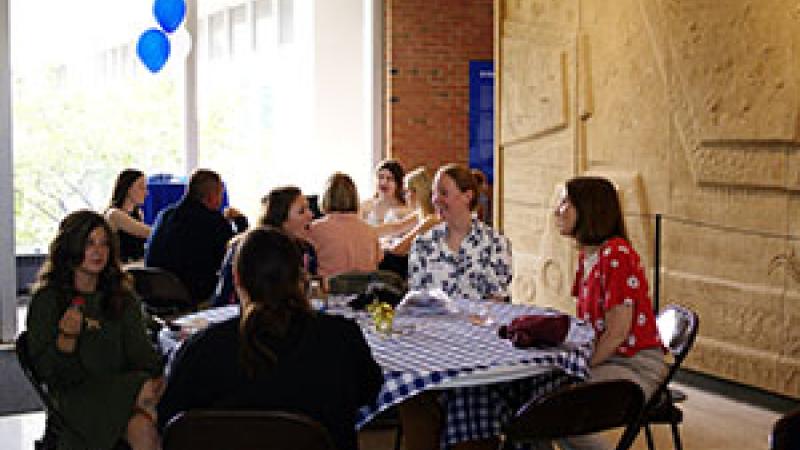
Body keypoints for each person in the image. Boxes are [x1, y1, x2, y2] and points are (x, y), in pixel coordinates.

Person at [157, 227, 383, 450]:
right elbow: (369, 391)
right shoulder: (341, 337)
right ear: (301, 274)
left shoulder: (202, 349)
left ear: (236, 279)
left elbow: (169, 420)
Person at [26, 210, 163, 450]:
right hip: (73, 396)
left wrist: (159, 373)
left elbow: (140, 354)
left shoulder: (122, 297)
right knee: (145, 390)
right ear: (71, 247)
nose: (99, 252)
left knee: (143, 427)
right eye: (89, 243)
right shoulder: (47, 300)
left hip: (120, 388)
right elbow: (51, 375)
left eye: (104, 244)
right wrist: (66, 339)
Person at [553, 176, 667, 450]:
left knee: (554, 410)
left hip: (635, 366)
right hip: (613, 360)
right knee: (541, 397)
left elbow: (617, 333)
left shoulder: (616, 255)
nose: (557, 209)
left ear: (589, 208)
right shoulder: (588, 256)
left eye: (566, 201)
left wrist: (579, 367)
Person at [408, 163, 511, 301]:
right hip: (434, 322)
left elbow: (497, 300)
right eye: (434, 193)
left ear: (467, 196)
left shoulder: (496, 243)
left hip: (481, 321)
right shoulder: (422, 244)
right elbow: (417, 300)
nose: (435, 199)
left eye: (443, 193)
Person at [145, 169, 248, 304]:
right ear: (211, 196)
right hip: (192, 294)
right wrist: (241, 221)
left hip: (152, 293)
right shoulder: (213, 221)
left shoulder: (164, 215)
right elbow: (239, 252)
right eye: (220, 195)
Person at [213, 186, 318, 306]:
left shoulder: (307, 251)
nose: (311, 215)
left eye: (308, 208)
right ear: (281, 219)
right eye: (302, 211)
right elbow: (223, 298)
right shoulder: (245, 249)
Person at [309, 172, 381, 278]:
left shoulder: (314, 229)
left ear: (326, 197)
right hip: (365, 291)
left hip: (330, 290)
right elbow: (377, 259)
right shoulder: (370, 230)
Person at [376, 166, 440, 278]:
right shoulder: (420, 214)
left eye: (406, 192)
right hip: (419, 266)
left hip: (428, 272)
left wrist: (383, 246)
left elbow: (399, 249)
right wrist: (364, 232)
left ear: (415, 193)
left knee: (386, 260)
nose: (404, 196)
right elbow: (396, 227)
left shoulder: (430, 220)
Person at [104, 169, 150, 263]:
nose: (146, 193)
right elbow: (148, 232)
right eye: (141, 187)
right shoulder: (114, 214)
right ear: (127, 188)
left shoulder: (139, 213)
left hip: (136, 264)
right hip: (121, 267)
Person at [359, 159, 410, 226]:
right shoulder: (365, 206)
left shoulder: (405, 209)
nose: (384, 182)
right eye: (380, 177)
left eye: (389, 178)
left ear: (398, 183)